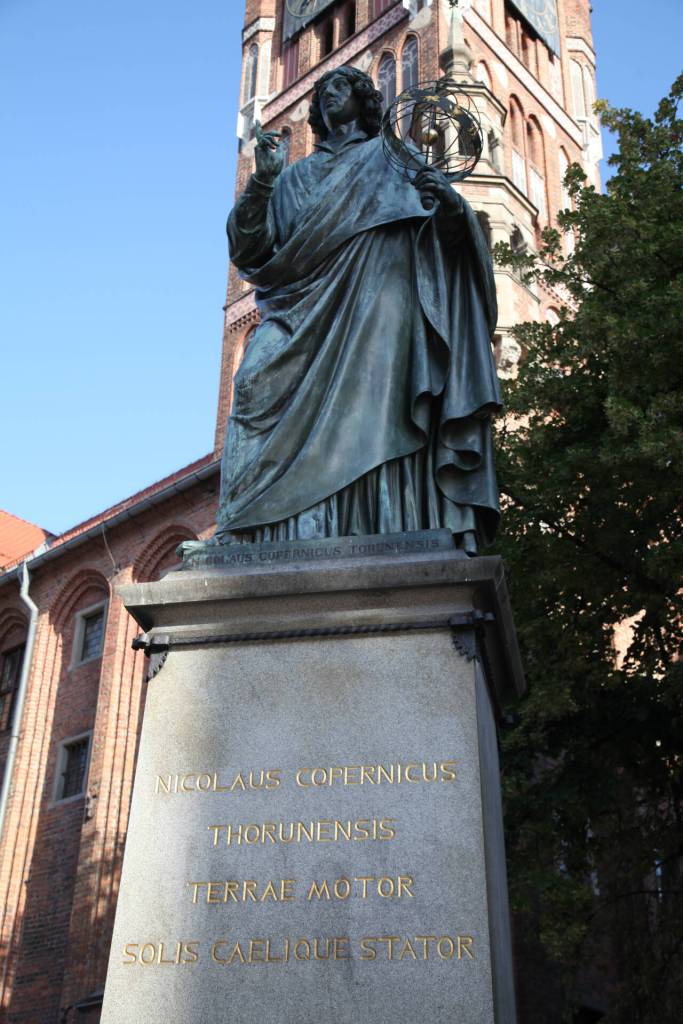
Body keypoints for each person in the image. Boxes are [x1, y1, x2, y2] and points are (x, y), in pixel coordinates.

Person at [215, 66, 500, 555]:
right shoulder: (294, 177)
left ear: (365, 98)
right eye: (322, 91)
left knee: (381, 400)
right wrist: (262, 182)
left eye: (341, 87)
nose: (330, 96)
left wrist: (450, 210)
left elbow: (446, 235)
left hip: (382, 298)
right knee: (252, 381)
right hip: (299, 306)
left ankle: (382, 520)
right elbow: (251, 252)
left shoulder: (393, 157)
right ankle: (247, 526)